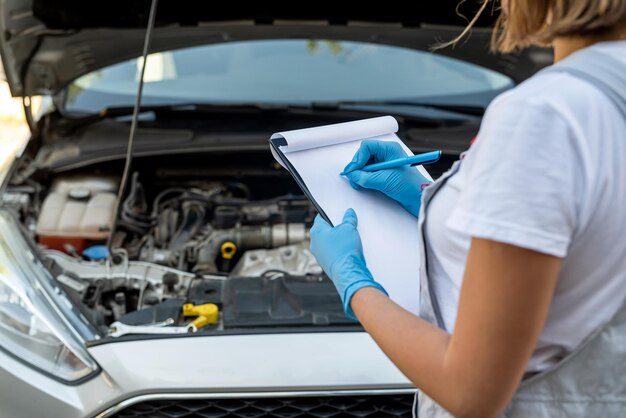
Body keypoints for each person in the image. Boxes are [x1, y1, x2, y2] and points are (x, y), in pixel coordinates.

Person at [309, 1, 626, 417]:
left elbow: (470, 391)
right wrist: (430, 198)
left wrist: (354, 283)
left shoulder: (543, 113)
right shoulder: (608, 94)